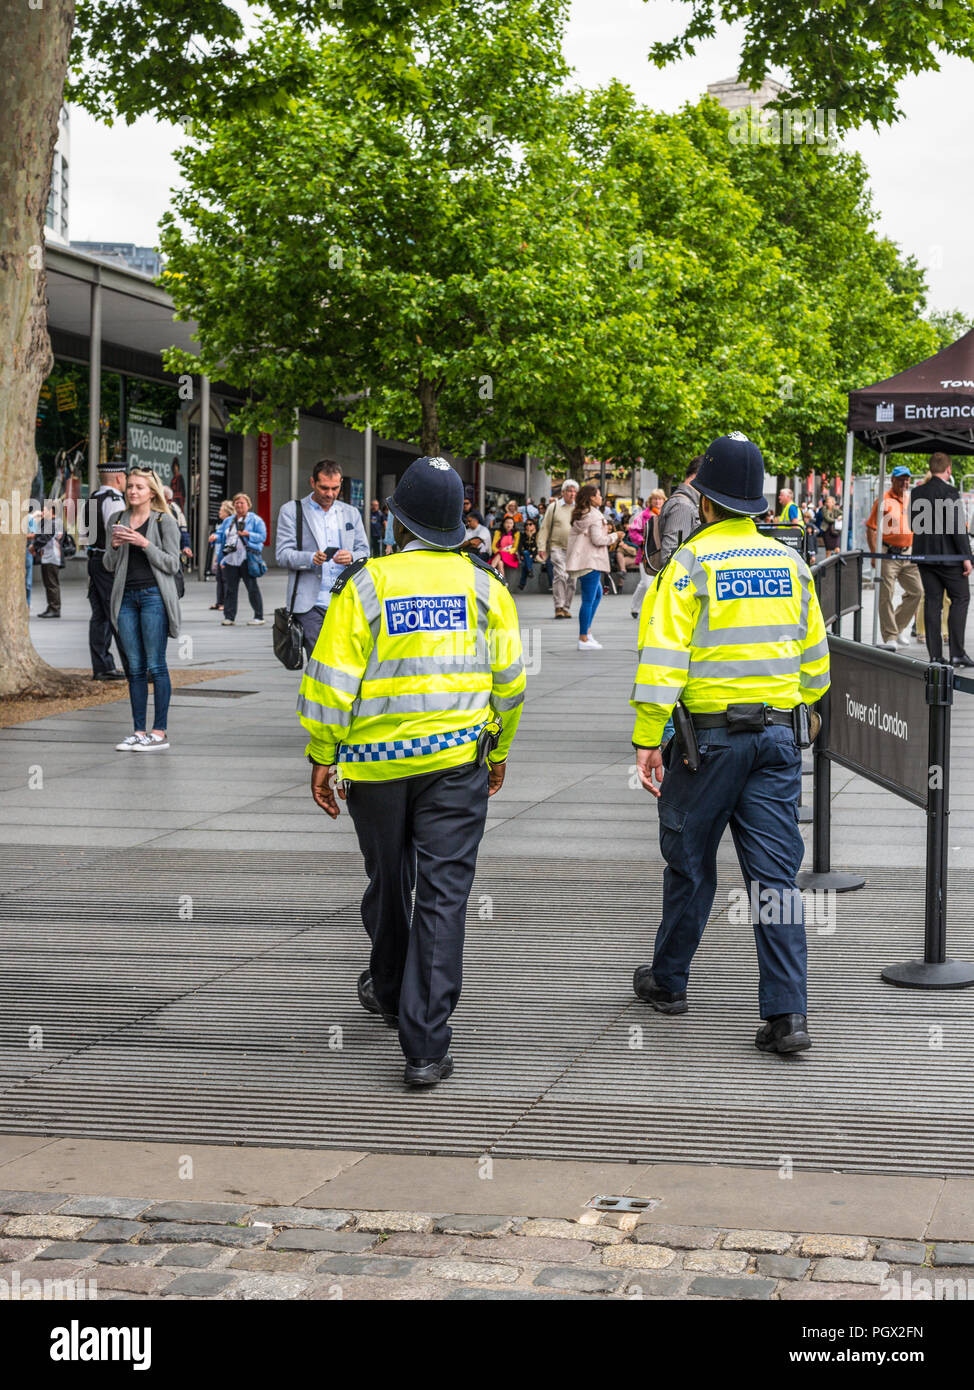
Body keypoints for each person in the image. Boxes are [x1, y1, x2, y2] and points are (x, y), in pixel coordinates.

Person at [298, 456, 525, 1088]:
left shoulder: (365, 586)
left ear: (396, 522)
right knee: (444, 898)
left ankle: (391, 984)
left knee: (389, 877)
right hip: (457, 765)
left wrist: (323, 754)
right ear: (456, 525)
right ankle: (424, 1046)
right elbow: (510, 683)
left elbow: (330, 684)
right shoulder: (487, 589)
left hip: (373, 768)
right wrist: (499, 748)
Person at [631, 432, 830, 1055]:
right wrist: (799, 707)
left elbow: (662, 659)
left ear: (706, 499)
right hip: (777, 739)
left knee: (689, 865)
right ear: (759, 503)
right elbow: (816, 664)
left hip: (707, 745)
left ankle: (669, 983)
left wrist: (647, 737)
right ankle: (787, 1015)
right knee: (775, 878)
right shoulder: (791, 563)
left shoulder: (689, 565)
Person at [103, 467, 182, 752]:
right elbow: (108, 566)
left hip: (153, 597)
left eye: (139, 487)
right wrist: (112, 545)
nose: (133, 491)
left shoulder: (164, 522)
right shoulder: (117, 519)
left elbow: (173, 564)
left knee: (155, 665)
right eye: (131, 487)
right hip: (125, 597)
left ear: (152, 492)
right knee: (134, 668)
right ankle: (138, 731)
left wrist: (144, 543)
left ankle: (158, 732)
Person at [275, 461, 369, 654]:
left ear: (341, 483)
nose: (330, 494)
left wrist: (351, 556)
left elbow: (365, 552)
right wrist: (310, 558)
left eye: (335, 488)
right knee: (319, 659)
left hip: (345, 600)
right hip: (311, 603)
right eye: (324, 487)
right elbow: (282, 555)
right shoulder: (292, 511)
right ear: (312, 482)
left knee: (345, 658)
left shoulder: (350, 513)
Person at [909, 452, 973, 667]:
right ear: (949, 470)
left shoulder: (917, 492)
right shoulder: (950, 492)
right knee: (961, 598)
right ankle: (957, 653)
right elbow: (957, 527)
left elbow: (914, 524)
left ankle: (935, 656)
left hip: (925, 557)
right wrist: (967, 557)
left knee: (932, 602)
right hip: (950, 558)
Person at [631, 457, 701, 619]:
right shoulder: (683, 506)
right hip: (678, 595)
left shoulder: (684, 502)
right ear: (697, 476)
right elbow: (672, 556)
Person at [865, 465, 923, 651]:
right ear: (892, 480)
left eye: (907, 479)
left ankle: (896, 629)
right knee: (886, 595)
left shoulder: (910, 499)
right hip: (888, 554)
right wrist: (875, 553)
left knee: (917, 592)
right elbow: (871, 528)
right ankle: (890, 636)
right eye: (900, 479)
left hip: (908, 553)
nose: (904, 483)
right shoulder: (883, 500)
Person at [83, 462, 128, 676]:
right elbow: (118, 535)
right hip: (108, 562)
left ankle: (102, 666)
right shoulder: (114, 501)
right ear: (119, 478)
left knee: (100, 616)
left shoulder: (92, 498)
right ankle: (133, 666)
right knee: (117, 613)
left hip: (94, 559)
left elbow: (86, 535)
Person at [566, 483, 616, 650]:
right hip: (591, 561)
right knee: (588, 599)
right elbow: (598, 540)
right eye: (599, 495)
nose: (601, 498)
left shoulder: (583, 514)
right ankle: (583, 638)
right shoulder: (594, 516)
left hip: (584, 561)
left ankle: (586, 631)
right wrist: (615, 536)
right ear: (592, 498)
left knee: (597, 595)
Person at [216, 492, 268, 627]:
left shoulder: (255, 520)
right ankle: (229, 616)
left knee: (252, 588)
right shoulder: (229, 521)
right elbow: (222, 537)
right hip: (230, 559)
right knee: (230, 589)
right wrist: (221, 557)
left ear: (248, 505)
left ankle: (258, 616)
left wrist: (248, 534)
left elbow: (262, 537)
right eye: (237, 503)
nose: (239, 505)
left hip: (247, 558)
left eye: (242, 503)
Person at [536, 478, 579, 619]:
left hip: (574, 549)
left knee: (572, 579)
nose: (572, 494)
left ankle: (566, 607)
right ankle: (558, 607)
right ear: (563, 493)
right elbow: (545, 528)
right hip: (556, 546)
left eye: (574, 491)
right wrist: (541, 547)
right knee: (561, 574)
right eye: (569, 491)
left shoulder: (579, 508)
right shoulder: (554, 507)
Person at [33, 502, 63, 619]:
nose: (42, 513)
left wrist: (34, 546)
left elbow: (43, 538)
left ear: (52, 512)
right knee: (50, 583)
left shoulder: (53, 523)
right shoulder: (54, 523)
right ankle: (51, 606)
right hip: (49, 557)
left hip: (51, 557)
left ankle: (54, 608)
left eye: (44, 511)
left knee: (51, 584)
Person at [208, 500, 233, 610]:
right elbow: (220, 534)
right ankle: (219, 602)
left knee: (225, 579)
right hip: (221, 554)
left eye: (221, 510)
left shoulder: (231, 521)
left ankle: (225, 603)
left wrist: (217, 537)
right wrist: (215, 536)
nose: (219, 512)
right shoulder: (225, 522)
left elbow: (228, 538)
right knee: (219, 578)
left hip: (228, 554)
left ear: (227, 512)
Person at [490, 514, 521, 582]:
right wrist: (499, 551)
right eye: (507, 522)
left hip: (510, 555)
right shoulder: (498, 532)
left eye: (510, 523)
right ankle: (503, 581)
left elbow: (515, 548)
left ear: (513, 525)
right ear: (503, 524)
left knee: (500, 554)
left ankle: (491, 568)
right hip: (499, 554)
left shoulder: (516, 533)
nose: (508, 525)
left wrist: (505, 551)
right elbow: (493, 547)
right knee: (500, 563)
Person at [815, 493, 841, 557]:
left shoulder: (835, 509)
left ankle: (836, 562)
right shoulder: (824, 509)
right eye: (827, 502)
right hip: (827, 530)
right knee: (828, 550)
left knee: (837, 548)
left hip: (835, 530)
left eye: (829, 502)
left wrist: (840, 517)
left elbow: (842, 513)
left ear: (833, 503)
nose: (828, 503)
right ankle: (828, 563)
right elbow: (827, 518)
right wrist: (836, 520)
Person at [518, 517, 539, 591]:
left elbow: (537, 547)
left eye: (530, 524)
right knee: (526, 554)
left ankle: (522, 583)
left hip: (535, 555)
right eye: (526, 524)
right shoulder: (523, 535)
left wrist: (532, 555)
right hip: (525, 555)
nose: (528, 526)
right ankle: (530, 571)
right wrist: (521, 555)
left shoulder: (537, 534)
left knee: (524, 565)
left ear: (534, 525)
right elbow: (520, 546)